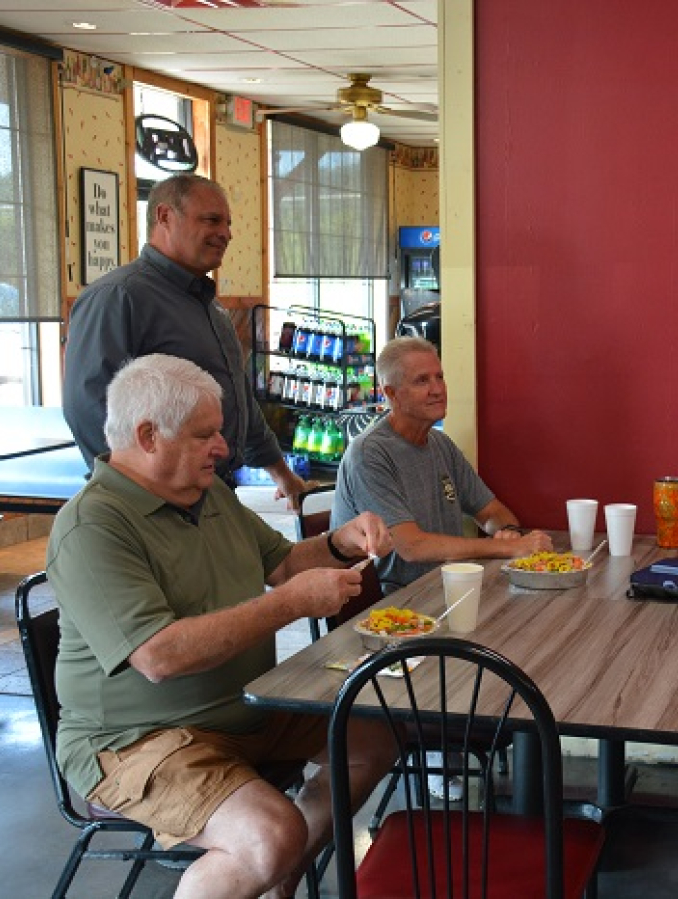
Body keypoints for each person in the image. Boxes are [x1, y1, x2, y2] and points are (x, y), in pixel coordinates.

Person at [48, 354, 397, 899]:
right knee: (268, 835)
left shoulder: (207, 495)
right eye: (205, 434)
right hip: (135, 743)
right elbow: (158, 656)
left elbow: (283, 565)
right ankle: (272, 860)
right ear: (147, 436)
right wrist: (289, 604)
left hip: (246, 710)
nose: (224, 448)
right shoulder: (93, 525)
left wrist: (339, 541)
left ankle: (282, 874)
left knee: (374, 735)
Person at [63, 172, 308, 500]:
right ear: (164, 216)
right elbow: (88, 406)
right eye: (211, 220)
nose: (226, 234)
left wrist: (281, 473)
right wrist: (143, 494)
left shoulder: (209, 306)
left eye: (227, 224)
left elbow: (239, 400)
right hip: (155, 500)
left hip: (214, 491)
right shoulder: (118, 296)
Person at [331, 336, 553, 593]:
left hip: (448, 588)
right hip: (393, 606)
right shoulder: (369, 453)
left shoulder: (440, 443)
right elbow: (411, 547)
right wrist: (507, 547)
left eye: (439, 377)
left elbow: (491, 511)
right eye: (422, 380)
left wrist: (508, 531)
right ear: (391, 393)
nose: (438, 389)